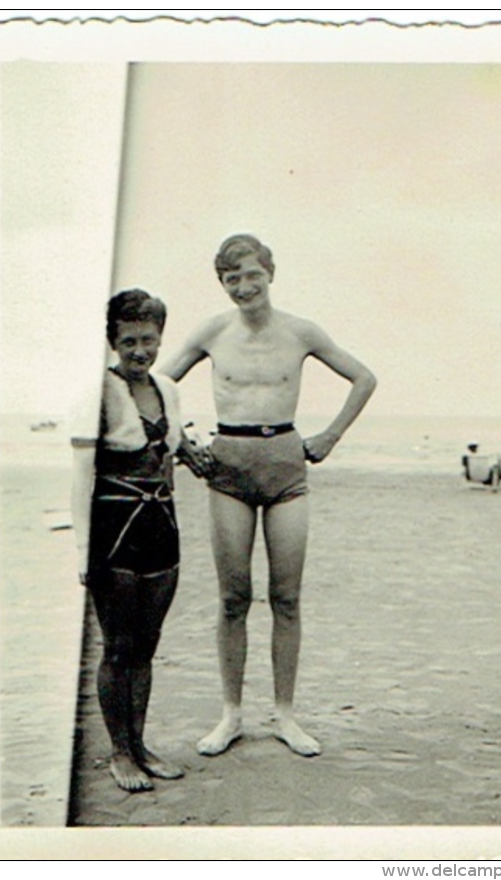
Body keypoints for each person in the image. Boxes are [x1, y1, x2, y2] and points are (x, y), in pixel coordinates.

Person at [161, 234, 377, 758]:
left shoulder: (300, 331)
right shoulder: (213, 331)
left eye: (251, 274)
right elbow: (158, 384)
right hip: (228, 467)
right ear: (222, 283)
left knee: (286, 597)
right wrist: (184, 446)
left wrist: (329, 437)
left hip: (285, 467)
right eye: (231, 278)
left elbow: (363, 378)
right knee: (233, 599)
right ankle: (231, 714)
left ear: (271, 273)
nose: (243, 286)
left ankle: (285, 715)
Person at [71, 289, 185, 792]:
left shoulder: (167, 388)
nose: (141, 350)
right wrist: (82, 552)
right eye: (129, 341)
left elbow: (169, 458)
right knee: (117, 647)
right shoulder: (94, 391)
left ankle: (139, 745)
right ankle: (119, 753)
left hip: (161, 528)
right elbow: (80, 478)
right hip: (113, 533)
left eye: (150, 340)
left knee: (147, 646)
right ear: (112, 341)